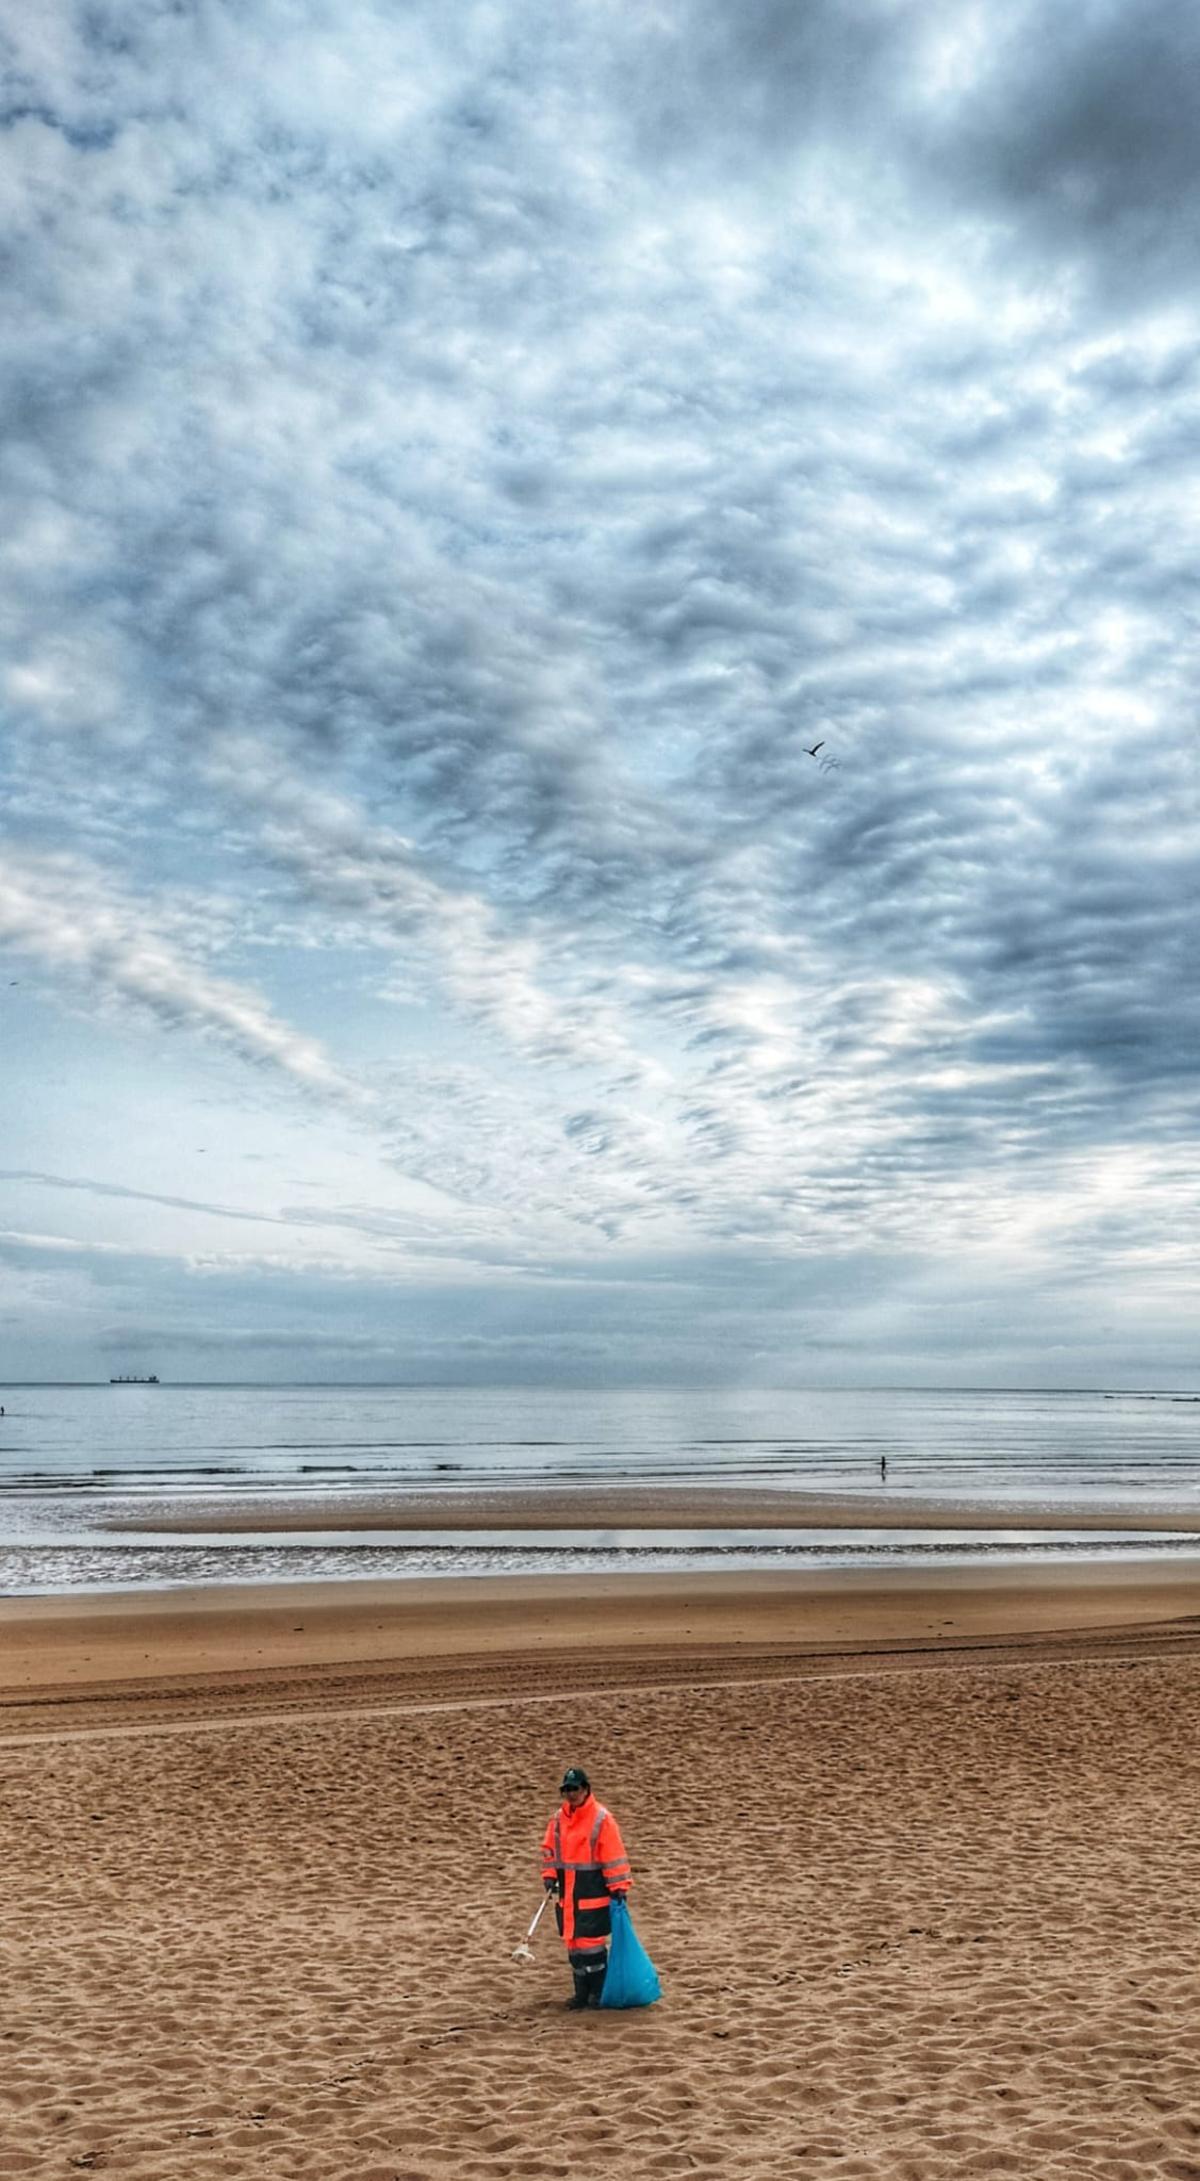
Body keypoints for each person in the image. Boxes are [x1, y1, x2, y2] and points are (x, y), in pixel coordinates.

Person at [541, 1765, 632, 2009]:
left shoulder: (601, 1818)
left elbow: (613, 1854)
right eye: (567, 1790)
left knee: (591, 1945)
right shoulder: (558, 1819)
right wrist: (549, 1875)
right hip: (569, 1893)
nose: (571, 1794)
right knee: (573, 1944)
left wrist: (619, 1886)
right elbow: (550, 1850)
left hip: (593, 1891)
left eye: (575, 1789)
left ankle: (597, 1994)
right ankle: (581, 1994)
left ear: (586, 1789)